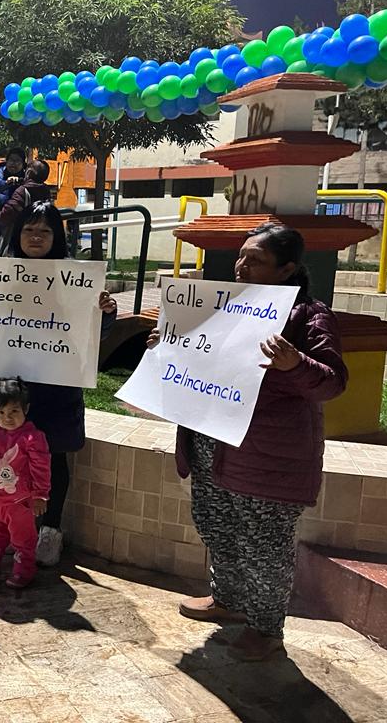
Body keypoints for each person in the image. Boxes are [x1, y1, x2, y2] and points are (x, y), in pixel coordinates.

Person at [149, 223, 347, 662]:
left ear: (288, 268)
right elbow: (203, 359)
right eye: (241, 256)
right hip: (211, 445)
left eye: (254, 259)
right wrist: (169, 346)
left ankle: (266, 628)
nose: (241, 265)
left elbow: (332, 383)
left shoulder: (309, 316)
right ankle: (229, 600)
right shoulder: (223, 306)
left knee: (264, 544)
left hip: (266, 455)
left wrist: (294, 363)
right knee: (217, 526)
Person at [0, 201, 117, 566]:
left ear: (57, 237)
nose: (36, 237)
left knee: (52, 456)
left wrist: (105, 314)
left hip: (55, 384)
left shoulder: (75, 280)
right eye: (29, 229)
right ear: (17, 234)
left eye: (45, 230)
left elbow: (91, 334)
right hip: (8, 385)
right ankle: (0, 530)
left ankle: (49, 531)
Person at [0, 378, 50, 588]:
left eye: (14, 412)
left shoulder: (32, 438)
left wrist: (40, 495)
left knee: (23, 538)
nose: (7, 418)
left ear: (26, 409)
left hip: (18, 502)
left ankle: (24, 570)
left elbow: (41, 468)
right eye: (1, 413)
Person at [0, 159, 54, 252]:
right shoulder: (46, 191)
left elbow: (8, 213)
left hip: (20, 240)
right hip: (40, 240)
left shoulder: (22, 191)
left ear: (29, 172)